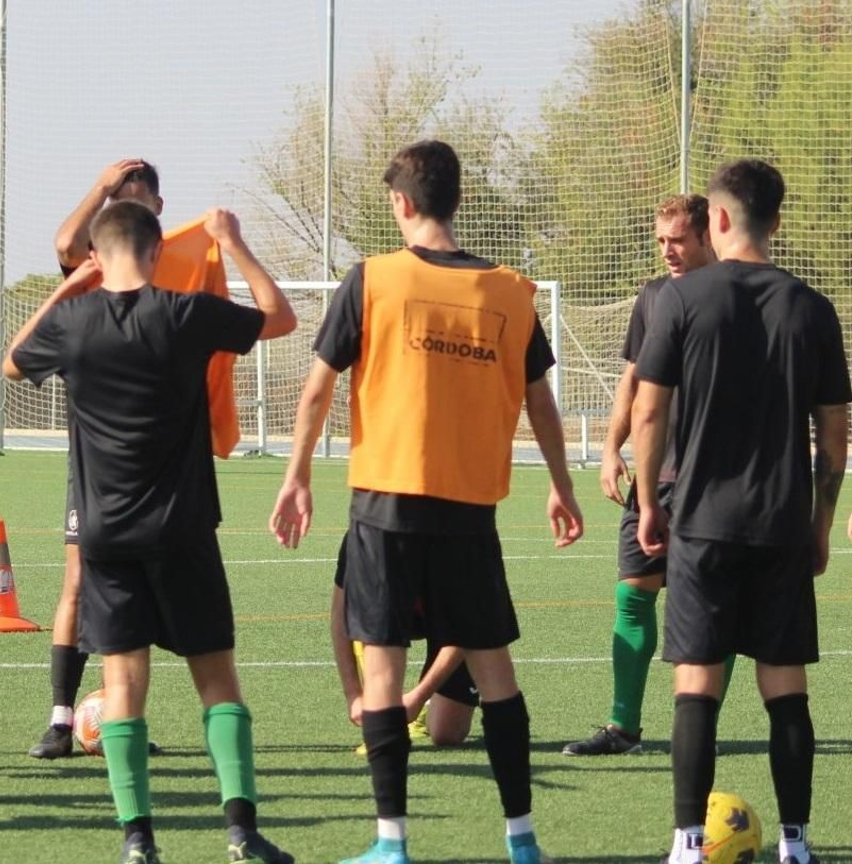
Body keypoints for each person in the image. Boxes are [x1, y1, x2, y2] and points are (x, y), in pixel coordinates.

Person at [269, 140, 583, 864]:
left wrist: (297, 476)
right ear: (456, 201)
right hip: (471, 510)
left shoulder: (372, 279)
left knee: (382, 674)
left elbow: (318, 388)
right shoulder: (511, 291)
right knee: (496, 673)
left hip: (386, 504)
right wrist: (561, 488)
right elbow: (543, 405)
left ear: (402, 204)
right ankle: (523, 840)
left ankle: (391, 844)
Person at [6, 202, 298, 864]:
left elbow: (13, 362)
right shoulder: (185, 313)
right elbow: (281, 316)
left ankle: (138, 839)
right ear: (157, 253)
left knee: (124, 688)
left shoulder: (75, 324)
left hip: (106, 536)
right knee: (216, 681)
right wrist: (234, 243)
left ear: (98, 255)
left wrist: (67, 287)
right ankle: (241, 831)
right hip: (185, 527)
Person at [631, 159, 847, 864]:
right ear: (775, 222)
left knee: (697, 683)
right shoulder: (812, 307)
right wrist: (820, 521)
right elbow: (835, 433)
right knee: (786, 689)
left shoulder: (682, 299)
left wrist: (647, 503)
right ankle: (797, 842)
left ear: (717, 220)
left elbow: (650, 407)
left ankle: (688, 845)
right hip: (783, 523)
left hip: (700, 522)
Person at [565, 194, 731, 758]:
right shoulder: (655, 296)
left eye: (678, 239)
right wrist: (612, 448)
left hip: (714, 481)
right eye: (660, 241)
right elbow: (633, 381)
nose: (668, 251)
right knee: (633, 597)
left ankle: (700, 728)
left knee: (709, 608)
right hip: (653, 479)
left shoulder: (737, 294)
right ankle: (623, 727)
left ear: (709, 234)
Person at [32, 158, 167, 759]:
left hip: (164, 467)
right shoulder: (93, 270)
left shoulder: (176, 268)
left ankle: (128, 721)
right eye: (117, 207)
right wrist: (101, 187)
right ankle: (61, 721)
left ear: (159, 212)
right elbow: (65, 241)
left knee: (144, 594)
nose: (123, 214)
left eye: (134, 203)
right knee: (79, 582)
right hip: (95, 463)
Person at [329, 581, 477, 754]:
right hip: (404, 610)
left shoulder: (454, 556)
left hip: (455, 618)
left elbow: (467, 624)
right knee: (366, 600)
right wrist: (354, 695)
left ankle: (430, 703)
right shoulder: (366, 554)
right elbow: (341, 614)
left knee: (446, 733)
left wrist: (419, 697)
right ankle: (380, 714)